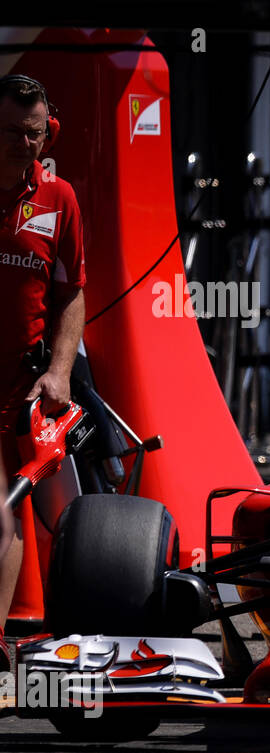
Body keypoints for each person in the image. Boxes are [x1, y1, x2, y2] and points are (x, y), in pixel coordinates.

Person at [0, 74, 85, 649]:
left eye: (32, 134)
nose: (21, 145)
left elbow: (72, 292)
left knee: (6, 512)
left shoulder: (61, 199)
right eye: (8, 132)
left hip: (18, 392)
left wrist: (60, 371)